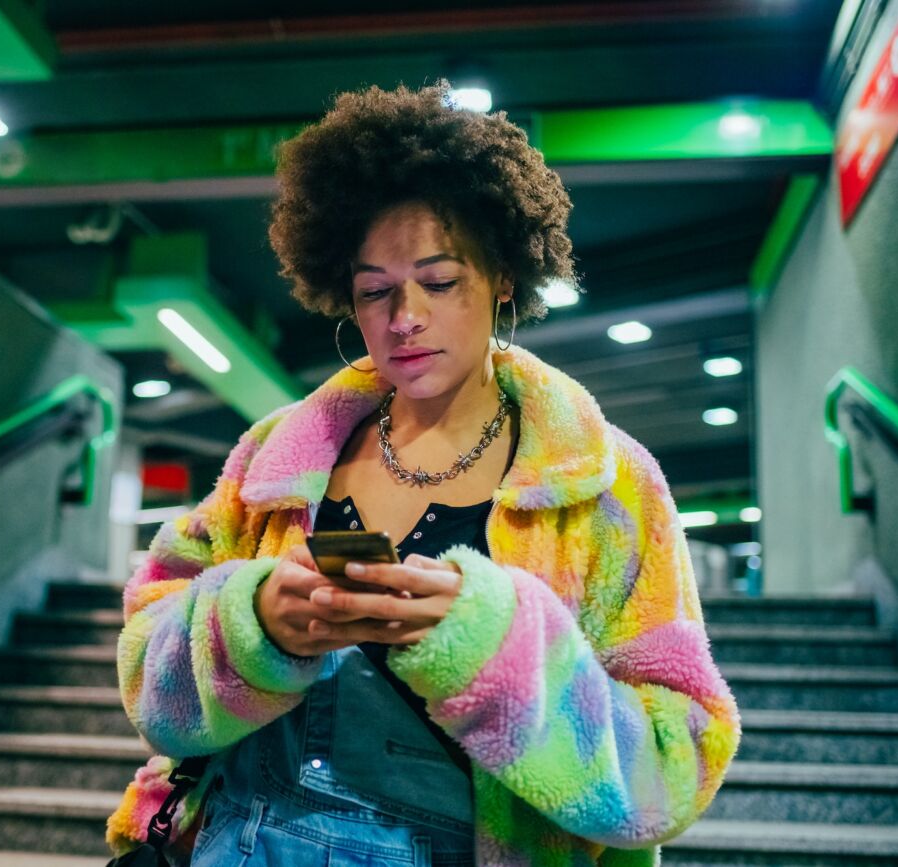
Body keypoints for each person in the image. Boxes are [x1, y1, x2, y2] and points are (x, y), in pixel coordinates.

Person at [106, 79, 741, 867]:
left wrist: (497, 648)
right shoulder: (278, 459)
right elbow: (148, 675)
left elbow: (674, 765)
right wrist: (253, 623)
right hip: (243, 840)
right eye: (375, 292)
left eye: (440, 282)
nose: (405, 318)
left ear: (502, 277)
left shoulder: (603, 488)